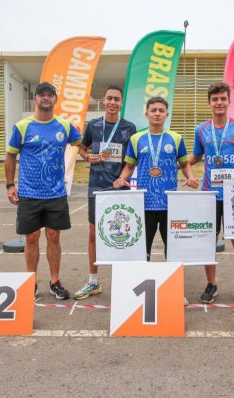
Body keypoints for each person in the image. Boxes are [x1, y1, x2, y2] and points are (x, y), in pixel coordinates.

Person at [5, 81, 82, 299]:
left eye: (50, 95)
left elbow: (80, 143)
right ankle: (31, 282)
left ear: (55, 99)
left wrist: (88, 154)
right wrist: (10, 185)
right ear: (36, 99)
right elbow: (10, 155)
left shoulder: (65, 126)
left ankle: (55, 281)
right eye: (42, 95)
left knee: (54, 236)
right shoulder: (22, 126)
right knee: (31, 238)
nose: (46, 98)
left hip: (56, 193)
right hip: (29, 193)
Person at [189, 82, 234, 304]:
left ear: (229, 101)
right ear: (209, 103)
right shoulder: (201, 129)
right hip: (209, 193)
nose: (219, 103)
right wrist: (178, 165)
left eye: (223, 99)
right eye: (215, 99)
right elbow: (196, 157)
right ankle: (212, 284)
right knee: (208, 241)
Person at [113, 96, 198, 262]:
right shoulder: (136, 139)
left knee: (172, 247)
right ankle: (142, 277)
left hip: (169, 202)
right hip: (145, 201)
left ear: (167, 114)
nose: (157, 114)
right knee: (143, 247)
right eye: (153, 110)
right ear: (147, 114)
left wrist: (191, 177)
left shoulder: (176, 138)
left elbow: (184, 163)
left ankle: (171, 281)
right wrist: (121, 178)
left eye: (161, 110)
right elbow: (130, 166)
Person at [74, 84, 136, 300]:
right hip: (97, 187)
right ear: (103, 100)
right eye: (109, 98)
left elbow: (132, 159)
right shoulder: (93, 125)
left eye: (116, 99)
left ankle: (125, 280)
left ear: (121, 103)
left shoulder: (129, 127)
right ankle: (93, 281)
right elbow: (82, 147)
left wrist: (124, 178)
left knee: (122, 234)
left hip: (120, 188)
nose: (112, 102)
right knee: (94, 234)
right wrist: (86, 156)